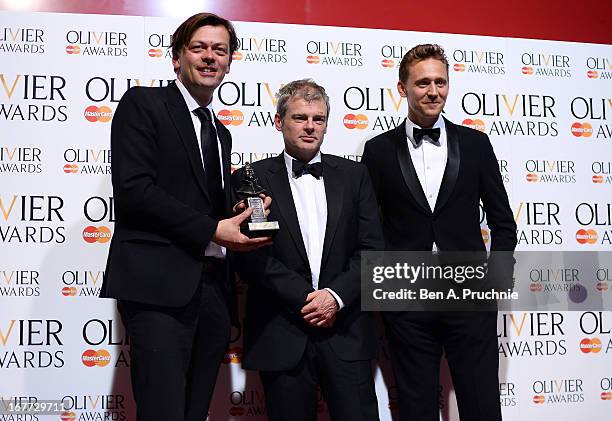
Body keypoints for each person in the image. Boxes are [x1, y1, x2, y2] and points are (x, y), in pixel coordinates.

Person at [100, 13, 271, 421]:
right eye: (199, 48)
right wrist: (213, 228)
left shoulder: (220, 131)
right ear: (177, 58)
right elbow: (135, 191)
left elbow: (200, 200)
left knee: (195, 412)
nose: (210, 57)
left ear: (230, 62)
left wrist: (245, 211)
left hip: (212, 292)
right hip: (157, 288)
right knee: (162, 411)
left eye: (220, 50)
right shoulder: (144, 103)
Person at [361, 44, 517, 421]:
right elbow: (368, 228)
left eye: (440, 82)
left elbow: (503, 221)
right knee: (416, 408)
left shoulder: (476, 144)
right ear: (402, 88)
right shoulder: (378, 150)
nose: (433, 91)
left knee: (482, 404)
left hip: (469, 295)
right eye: (423, 83)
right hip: (407, 300)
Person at [233, 79, 383, 421]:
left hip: (346, 330)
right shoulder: (250, 178)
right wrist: (306, 298)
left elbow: (372, 250)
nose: (310, 126)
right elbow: (251, 256)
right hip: (282, 332)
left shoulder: (355, 175)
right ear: (278, 121)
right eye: (300, 117)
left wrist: (334, 296)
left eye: (318, 118)